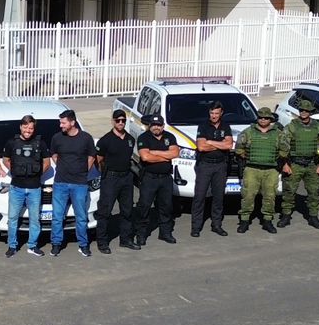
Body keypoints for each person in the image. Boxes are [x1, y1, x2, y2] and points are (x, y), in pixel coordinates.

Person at [0, 115, 51, 257]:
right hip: (16, 188)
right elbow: (6, 159)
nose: (28, 130)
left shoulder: (41, 143)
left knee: (34, 219)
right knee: (13, 218)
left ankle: (32, 246)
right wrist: (14, 170)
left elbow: (47, 163)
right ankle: (12, 246)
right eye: (25, 127)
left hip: (34, 188)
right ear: (20, 127)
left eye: (31, 127)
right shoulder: (11, 143)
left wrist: (37, 174)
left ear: (34, 128)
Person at [48, 109, 96, 257]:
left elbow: (92, 156)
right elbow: (54, 155)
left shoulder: (86, 138)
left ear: (72, 122)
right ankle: (56, 244)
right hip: (60, 183)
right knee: (57, 216)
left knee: (81, 216)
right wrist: (64, 167)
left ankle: (83, 244)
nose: (61, 125)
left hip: (80, 184)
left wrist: (83, 171)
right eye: (60, 122)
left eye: (63, 122)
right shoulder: (57, 138)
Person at [94, 108, 139, 253]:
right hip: (111, 178)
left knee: (127, 210)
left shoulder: (130, 139)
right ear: (113, 121)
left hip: (126, 177)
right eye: (118, 120)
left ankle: (125, 239)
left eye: (123, 121)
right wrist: (106, 173)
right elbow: (98, 160)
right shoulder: (105, 140)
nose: (121, 123)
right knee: (105, 211)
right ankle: (102, 242)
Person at [235, 107, 285, 233]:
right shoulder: (248, 132)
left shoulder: (278, 133)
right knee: (248, 195)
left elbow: (285, 150)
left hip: (271, 170)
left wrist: (277, 161)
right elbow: (239, 148)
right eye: (261, 117)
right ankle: (244, 221)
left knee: (270, 196)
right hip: (252, 169)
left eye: (266, 118)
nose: (263, 120)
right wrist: (247, 157)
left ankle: (267, 221)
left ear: (270, 119)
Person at [279, 99, 319, 230]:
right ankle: (286, 215)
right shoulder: (292, 125)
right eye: (301, 110)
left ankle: (313, 216)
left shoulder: (318, 126)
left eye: (306, 110)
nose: (304, 112)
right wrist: (285, 163)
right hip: (294, 163)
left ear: (311, 112)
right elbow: (283, 145)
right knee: (289, 191)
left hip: (312, 163)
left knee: (314, 192)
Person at [190, 101, 234, 237]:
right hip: (205, 165)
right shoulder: (203, 126)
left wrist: (211, 142)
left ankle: (216, 225)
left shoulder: (226, 126)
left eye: (216, 113)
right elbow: (201, 147)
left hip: (220, 165)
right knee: (200, 196)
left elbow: (229, 145)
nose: (214, 116)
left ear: (221, 113)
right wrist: (220, 144)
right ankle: (196, 227)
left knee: (219, 197)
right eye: (211, 113)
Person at [135, 114, 180, 244]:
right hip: (149, 178)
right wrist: (166, 157)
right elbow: (145, 157)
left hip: (165, 178)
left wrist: (154, 152)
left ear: (163, 126)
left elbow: (175, 153)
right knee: (144, 206)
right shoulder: (144, 137)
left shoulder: (169, 137)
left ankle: (165, 233)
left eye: (159, 125)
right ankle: (141, 234)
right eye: (153, 125)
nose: (156, 127)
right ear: (150, 125)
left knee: (166, 207)